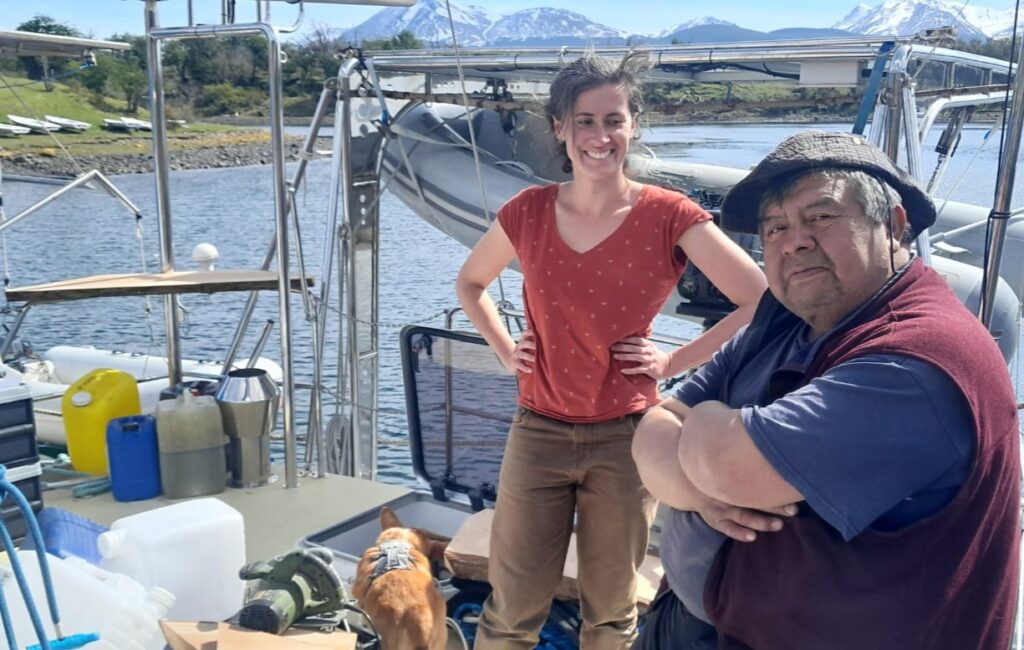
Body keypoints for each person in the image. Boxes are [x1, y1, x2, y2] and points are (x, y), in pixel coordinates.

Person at [631, 130, 1021, 649]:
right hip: (696, 620)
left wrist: (702, 426)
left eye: (821, 217)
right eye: (776, 227)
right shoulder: (785, 320)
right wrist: (703, 497)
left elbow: (724, 459)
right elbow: (651, 433)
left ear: (894, 225)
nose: (795, 240)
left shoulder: (921, 357)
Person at [455, 52, 767, 650]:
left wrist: (671, 363)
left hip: (627, 438)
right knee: (511, 612)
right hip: (537, 430)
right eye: (585, 121)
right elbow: (470, 285)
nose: (601, 137)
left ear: (632, 126)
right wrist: (502, 348)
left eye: (613, 120)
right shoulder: (527, 212)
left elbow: (759, 301)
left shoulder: (669, 216)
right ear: (560, 129)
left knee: (610, 613)